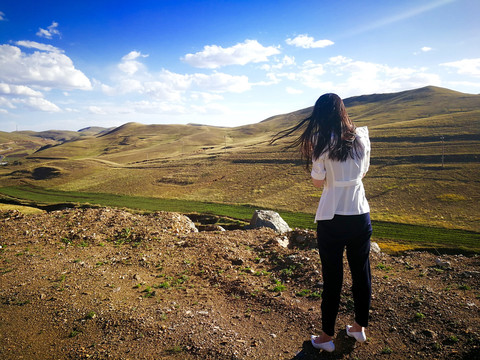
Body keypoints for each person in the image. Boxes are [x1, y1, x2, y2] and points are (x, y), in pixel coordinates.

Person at [272, 93, 372, 352]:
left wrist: (330, 179)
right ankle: (359, 328)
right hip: (360, 214)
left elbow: (318, 182)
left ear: (321, 114)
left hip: (332, 217)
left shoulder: (321, 141)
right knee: (361, 272)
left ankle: (326, 338)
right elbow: (363, 172)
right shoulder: (361, 137)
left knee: (333, 278)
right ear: (342, 111)